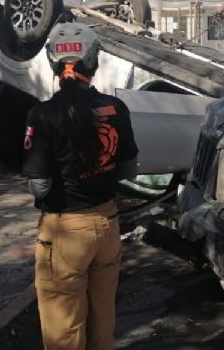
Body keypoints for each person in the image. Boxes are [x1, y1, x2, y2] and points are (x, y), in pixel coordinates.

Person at [21, 22, 139, 350]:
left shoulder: (42, 114)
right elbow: (128, 169)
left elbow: (40, 188)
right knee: (103, 321)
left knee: (64, 331)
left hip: (66, 232)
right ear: (93, 62)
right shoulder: (116, 108)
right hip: (108, 225)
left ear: (54, 63)